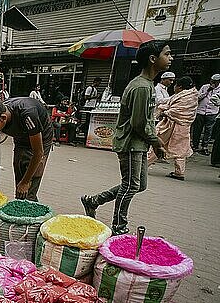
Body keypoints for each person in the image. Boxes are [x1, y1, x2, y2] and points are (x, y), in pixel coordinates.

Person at [81, 40, 172, 235]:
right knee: (131, 186)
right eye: (167, 54)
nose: (170, 58)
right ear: (153, 59)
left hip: (139, 143)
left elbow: (145, 121)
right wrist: (156, 142)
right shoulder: (141, 87)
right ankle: (119, 227)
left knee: (138, 185)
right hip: (131, 143)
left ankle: (94, 201)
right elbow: (139, 123)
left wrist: (155, 140)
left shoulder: (147, 85)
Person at [0, 96, 54, 201]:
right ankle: (22, 202)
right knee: (20, 184)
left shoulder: (28, 114)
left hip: (41, 139)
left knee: (30, 183)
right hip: (21, 138)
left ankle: (30, 207)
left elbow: (38, 153)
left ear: (3, 118)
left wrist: (26, 182)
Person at [147, 76, 198, 180]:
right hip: (184, 127)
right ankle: (179, 172)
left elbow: (176, 111)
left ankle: (144, 165)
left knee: (158, 143)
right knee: (181, 150)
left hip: (172, 125)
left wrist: (164, 111)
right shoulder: (192, 95)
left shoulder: (184, 96)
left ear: (179, 87)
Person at [191, 74, 220, 156]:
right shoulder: (205, 87)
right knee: (197, 129)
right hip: (201, 111)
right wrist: (207, 91)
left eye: (214, 82)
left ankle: (204, 146)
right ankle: (195, 145)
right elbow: (197, 97)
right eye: (211, 81)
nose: (212, 83)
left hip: (212, 112)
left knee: (208, 130)